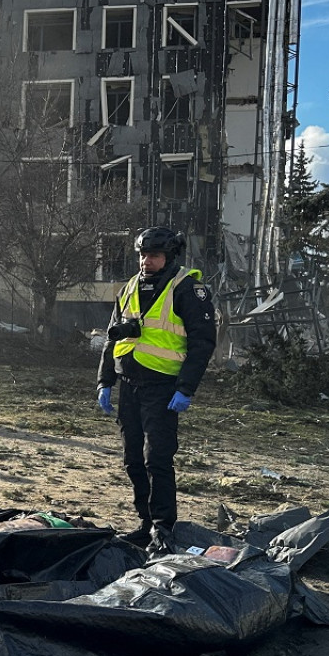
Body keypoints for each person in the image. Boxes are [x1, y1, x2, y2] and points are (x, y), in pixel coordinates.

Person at [96, 226, 216, 554]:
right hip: (129, 386)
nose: (145, 261)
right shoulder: (130, 287)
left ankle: (164, 529)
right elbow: (113, 336)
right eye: (142, 255)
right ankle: (145, 524)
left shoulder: (188, 289)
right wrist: (105, 381)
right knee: (133, 459)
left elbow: (203, 342)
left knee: (157, 460)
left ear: (169, 257)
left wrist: (186, 388)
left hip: (163, 388)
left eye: (153, 255)